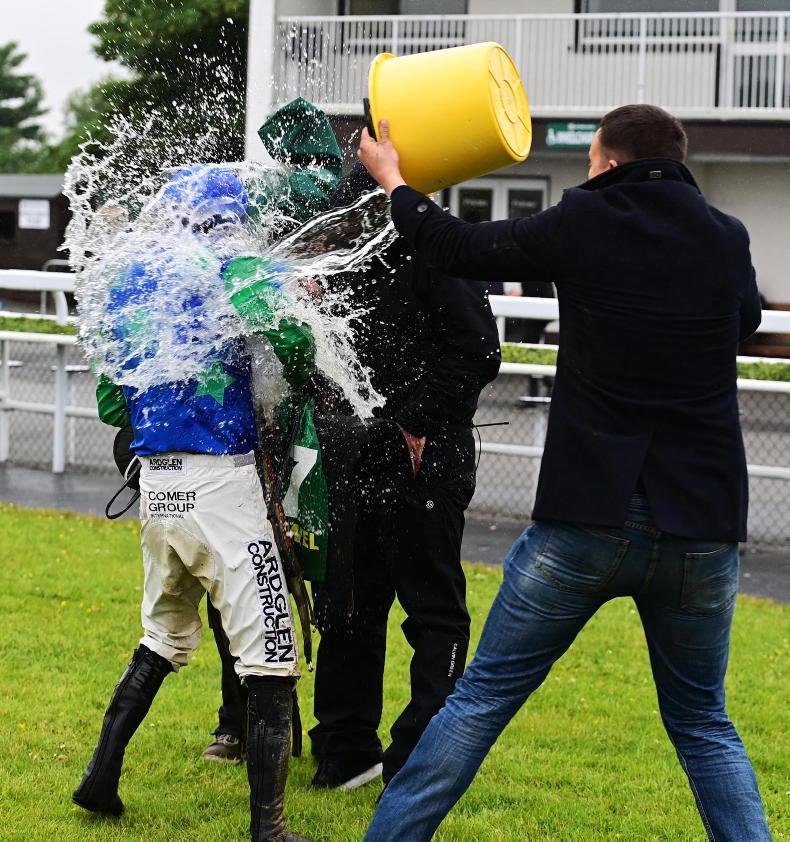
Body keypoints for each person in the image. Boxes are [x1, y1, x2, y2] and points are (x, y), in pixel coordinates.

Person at [357, 104, 771, 841]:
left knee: (481, 699)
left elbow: (454, 246)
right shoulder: (726, 234)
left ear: (607, 162)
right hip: (702, 523)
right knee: (704, 723)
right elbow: (744, 319)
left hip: (588, 516)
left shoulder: (585, 218)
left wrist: (394, 180)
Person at [72, 100, 343, 842]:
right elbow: (297, 350)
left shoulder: (131, 282)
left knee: (162, 636)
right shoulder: (240, 267)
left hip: (158, 486)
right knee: (272, 654)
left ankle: (100, 777)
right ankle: (270, 827)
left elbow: (111, 399)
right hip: (223, 486)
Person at [307, 163, 501, 790]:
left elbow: (480, 351)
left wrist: (414, 420)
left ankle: (418, 756)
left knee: (432, 612)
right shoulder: (343, 262)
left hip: (427, 461)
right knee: (348, 604)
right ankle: (344, 750)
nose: (337, 234)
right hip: (354, 455)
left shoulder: (437, 252)